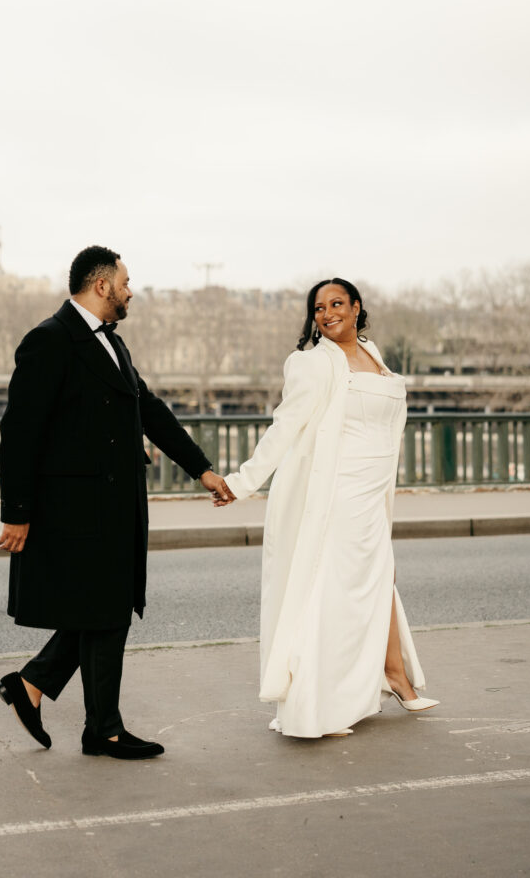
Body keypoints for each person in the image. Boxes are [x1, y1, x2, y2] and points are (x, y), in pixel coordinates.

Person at [0, 245, 231, 759]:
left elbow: (149, 409)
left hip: (112, 506)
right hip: (73, 509)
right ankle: (97, 725)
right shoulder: (49, 340)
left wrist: (202, 469)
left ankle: (42, 692)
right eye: (125, 282)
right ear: (101, 285)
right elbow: (19, 433)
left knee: (104, 608)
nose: (130, 291)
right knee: (106, 610)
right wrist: (16, 512)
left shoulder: (112, 346)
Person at [214, 278, 439, 738]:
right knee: (331, 596)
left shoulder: (374, 355)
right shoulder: (311, 364)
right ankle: (320, 703)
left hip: (373, 494)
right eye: (318, 307)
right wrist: (241, 482)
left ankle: (394, 676)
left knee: (379, 582)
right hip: (336, 497)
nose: (327, 313)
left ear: (357, 307)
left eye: (337, 303)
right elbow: (284, 428)